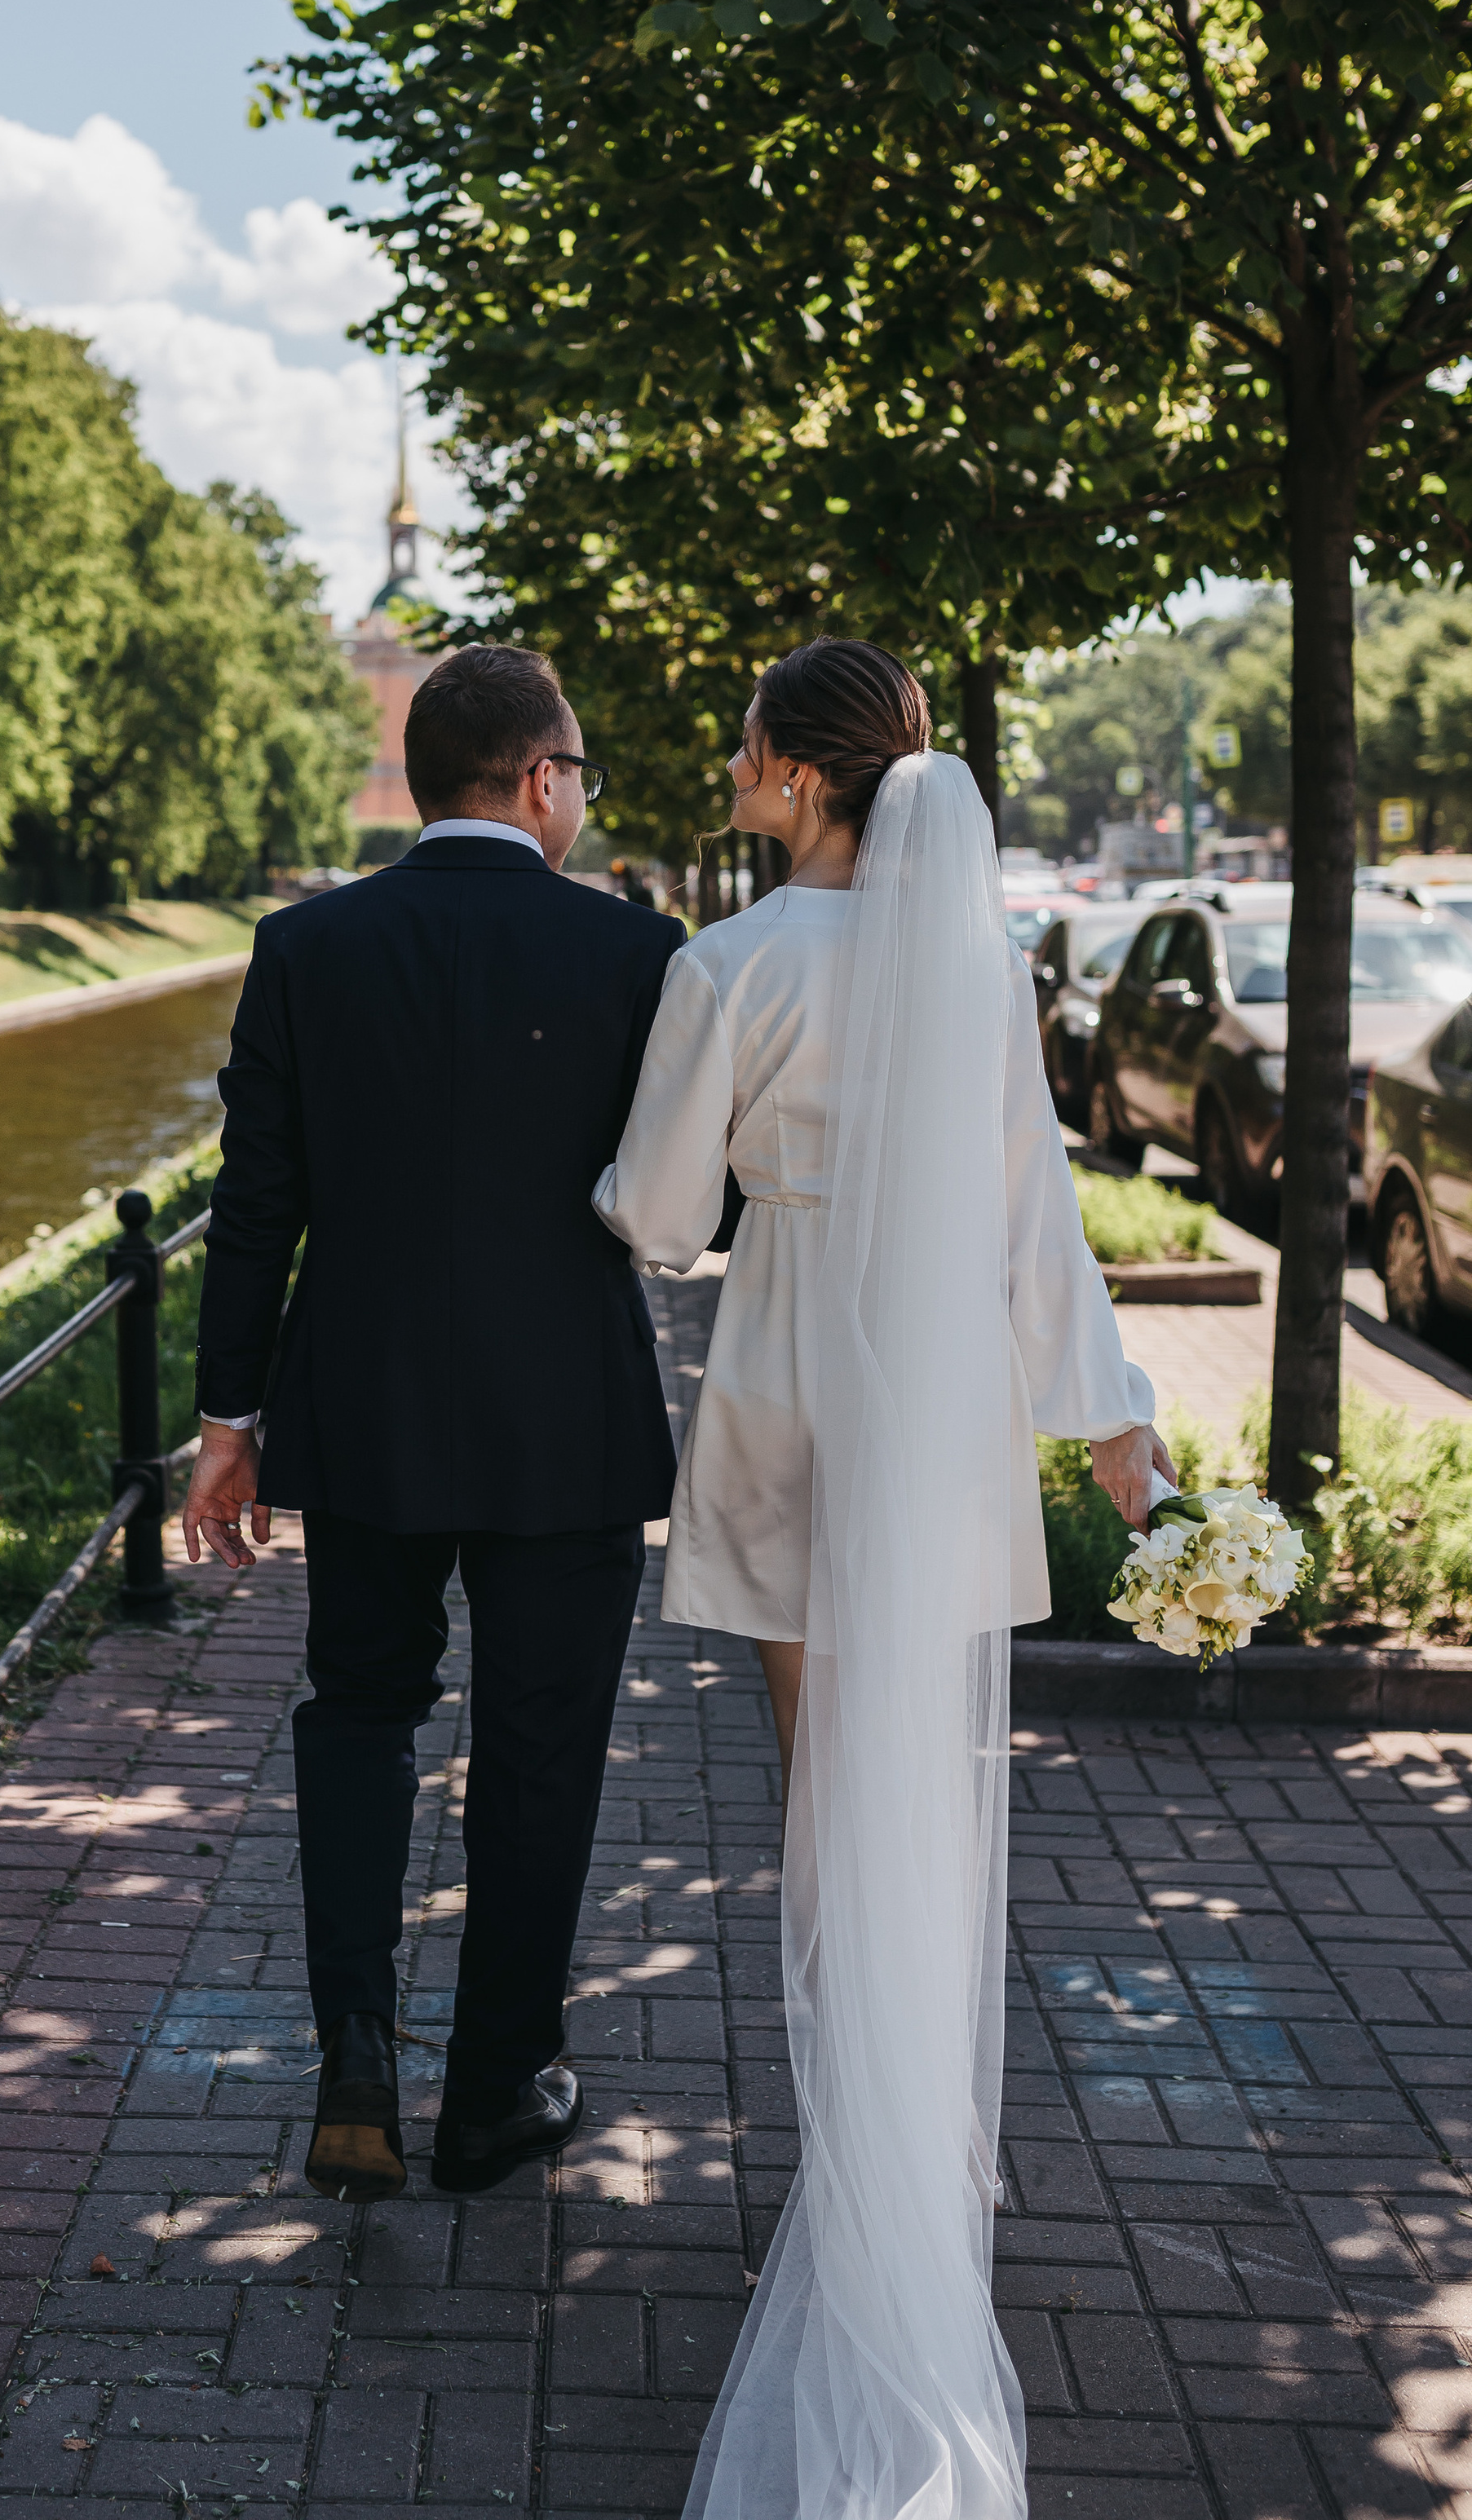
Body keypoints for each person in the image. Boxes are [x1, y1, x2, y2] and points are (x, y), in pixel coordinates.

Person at [595, 638, 1174, 2520]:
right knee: (915, 1788)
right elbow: (1032, 1218)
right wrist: (1115, 1434)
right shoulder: (967, 965)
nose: (733, 766)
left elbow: (664, 1224)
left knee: (820, 1803)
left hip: (781, 1389)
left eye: (749, 747)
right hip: (928, 1405)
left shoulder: (725, 964)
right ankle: (928, 2155)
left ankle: (867, 2172)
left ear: (796, 777)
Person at [182, 642, 684, 2201]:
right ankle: (491, 2094)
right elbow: (685, 1202)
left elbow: (254, 1205)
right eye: (580, 776)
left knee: (359, 1713)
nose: (583, 804)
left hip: (372, 1416)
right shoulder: (638, 955)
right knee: (544, 1749)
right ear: (541, 780)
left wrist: (225, 1422)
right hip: (564, 1426)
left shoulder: (306, 946)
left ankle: (352, 2056)